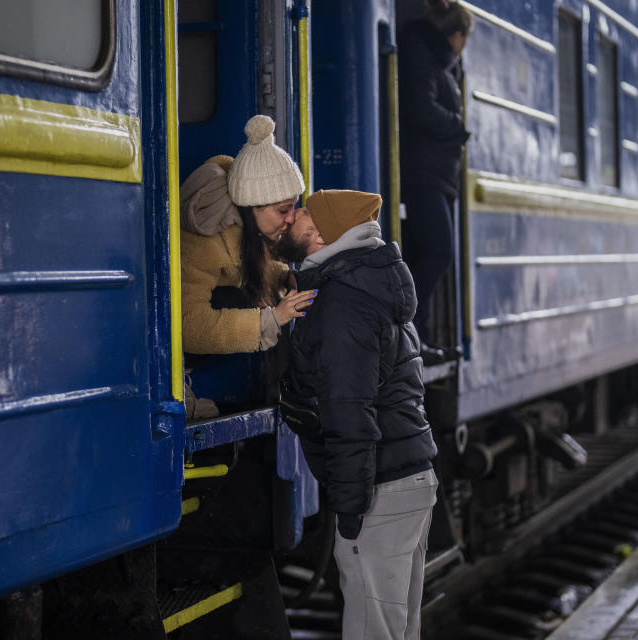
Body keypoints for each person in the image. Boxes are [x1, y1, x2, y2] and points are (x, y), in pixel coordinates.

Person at [277, 190, 438, 640]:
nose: (293, 217)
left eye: (304, 212)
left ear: (325, 233)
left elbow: (350, 414)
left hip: (378, 491)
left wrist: (349, 511)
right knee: (398, 629)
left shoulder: (341, 303)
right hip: (408, 479)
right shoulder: (367, 284)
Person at [180, 114, 316, 359]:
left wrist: (286, 279)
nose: (291, 218)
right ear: (253, 206)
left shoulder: (249, 226)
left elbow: (249, 264)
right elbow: (188, 325)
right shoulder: (204, 239)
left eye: (293, 208)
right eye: (283, 210)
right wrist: (272, 319)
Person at [398, 0, 473, 364]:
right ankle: (406, 329)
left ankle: (417, 338)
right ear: (456, 36)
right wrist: (458, 127)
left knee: (424, 253)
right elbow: (419, 107)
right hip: (422, 175)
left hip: (432, 175)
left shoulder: (430, 56)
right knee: (437, 251)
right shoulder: (422, 53)